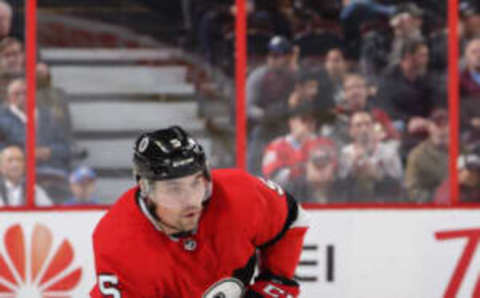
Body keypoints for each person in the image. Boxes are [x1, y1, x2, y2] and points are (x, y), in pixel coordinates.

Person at [90, 126, 309, 297]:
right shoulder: (118, 243)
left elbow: (291, 219)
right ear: (146, 190)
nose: (191, 201)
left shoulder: (238, 193)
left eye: (196, 183)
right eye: (174, 188)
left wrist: (275, 282)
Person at [337, 111, 403, 202]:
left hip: (382, 204)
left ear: (374, 128)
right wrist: (353, 171)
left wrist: (377, 174)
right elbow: (339, 189)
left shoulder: (389, 152)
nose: (364, 129)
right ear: (351, 131)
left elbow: (398, 186)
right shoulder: (344, 154)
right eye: (358, 125)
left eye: (368, 124)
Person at [405, 109, 449, 203]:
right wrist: (437, 196)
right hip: (432, 209)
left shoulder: (460, 149)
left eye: (445, 125)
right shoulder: (417, 155)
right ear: (429, 127)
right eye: (437, 124)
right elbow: (411, 192)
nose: (441, 129)